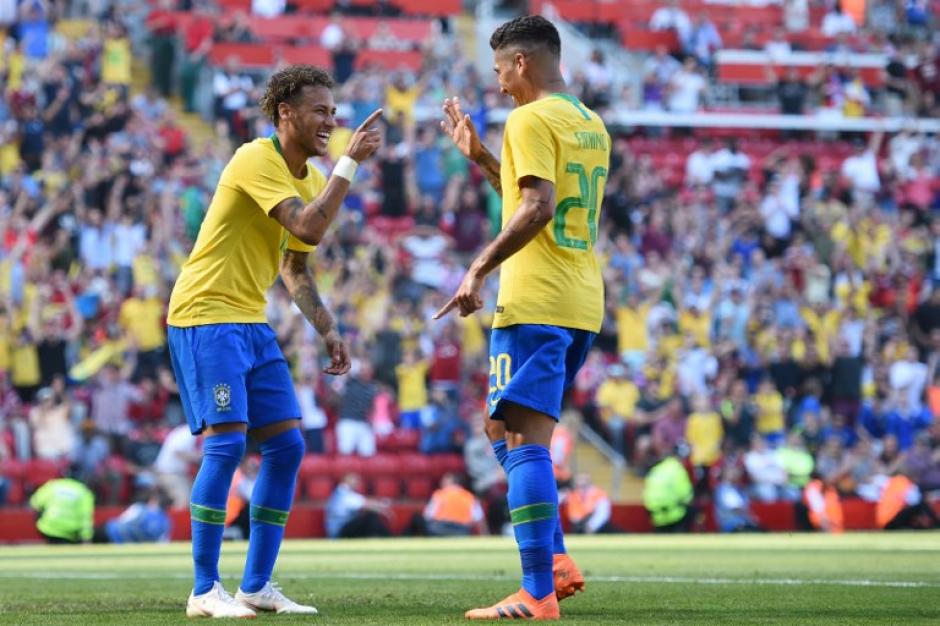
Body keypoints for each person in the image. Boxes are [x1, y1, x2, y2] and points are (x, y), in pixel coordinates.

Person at [166, 65, 383, 618]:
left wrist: (328, 326)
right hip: (205, 314)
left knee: (287, 446)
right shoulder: (253, 158)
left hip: (250, 320)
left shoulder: (309, 179)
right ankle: (203, 590)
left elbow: (295, 264)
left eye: (333, 113)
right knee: (227, 444)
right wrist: (351, 164)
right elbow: (308, 227)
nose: (330, 122)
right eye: (319, 111)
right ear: (285, 113)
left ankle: (256, 586)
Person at [435, 16, 610, 619]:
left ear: (522, 63)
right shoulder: (588, 122)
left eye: (500, 70)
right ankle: (555, 560)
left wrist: (477, 268)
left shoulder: (530, 118)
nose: (499, 83)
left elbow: (535, 209)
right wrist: (483, 157)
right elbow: (533, 197)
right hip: (581, 299)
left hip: (536, 298)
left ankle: (537, 592)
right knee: (500, 430)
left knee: (523, 439)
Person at [29, 475, 95, 544]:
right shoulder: (84, 492)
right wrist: (86, 538)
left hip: (48, 528)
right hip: (69, 532)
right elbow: (85, 517)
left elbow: (34, 503)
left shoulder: (53, 485)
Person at [92, 487, 173, 544]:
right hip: (124, 542)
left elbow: (122, 520)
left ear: (153, 500)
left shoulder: (140, 508)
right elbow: (162, 543)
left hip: (110, 532)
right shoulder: (166, 522)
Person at [325, 473, 392, 539]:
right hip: (339, 531)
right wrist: (383, 510)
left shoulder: (345, 493)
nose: (357, 483)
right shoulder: (342, 494)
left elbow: (364, 501)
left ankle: (379, 537)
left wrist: (382, 507)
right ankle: (388, 538)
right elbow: (365, 504)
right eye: (355, 480)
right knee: (370, 517)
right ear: (347, 480)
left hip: (345, 528)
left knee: (370, 517)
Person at [421, 472, 486, 536]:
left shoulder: (440, 494)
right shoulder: (469, 497)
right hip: (462, 531)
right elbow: (478, 518)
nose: (442, 483)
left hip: (440, 530)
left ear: (451, 482)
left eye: (444, 481)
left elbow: (428, 515)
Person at [643, 453, 694, 532]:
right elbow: (687, 495)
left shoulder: (656, 469)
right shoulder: (677, 468)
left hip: (655, 515)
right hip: (674, 514)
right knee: (693, 511)